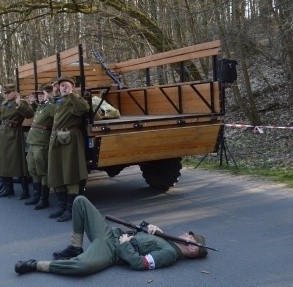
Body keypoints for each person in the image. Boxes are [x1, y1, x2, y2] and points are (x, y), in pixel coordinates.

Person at [15, 195, 209, 276]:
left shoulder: (169, 253)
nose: (184, 234)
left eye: (189, 237)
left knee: (83, 266)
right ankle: (75, 246)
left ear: (192, 247)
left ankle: (36, 265)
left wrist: (124, 244)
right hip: (110, 234)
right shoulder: (167, 240)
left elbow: (139, 263)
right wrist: (149, 227)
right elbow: (144, 236)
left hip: (112, 250)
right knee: (80, 200)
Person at [47, 75, 89, 222]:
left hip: (70, 140)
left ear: (72, 86)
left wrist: (71, 93)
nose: (63, 87)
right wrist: (52, 95)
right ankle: (62, 206)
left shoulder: (75, 99)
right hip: (57, 139)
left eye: (66, 84)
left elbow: (83, 108)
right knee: (57, 172)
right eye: (61, 85)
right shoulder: (60, 101)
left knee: (70, 173)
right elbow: (51, 113)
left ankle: (71, 209)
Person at [0, 84, 34, 199]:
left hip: (14, 135)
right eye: (5, 93)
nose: (6, 95)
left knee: (19, 163)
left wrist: (18, 103)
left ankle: (25, 191)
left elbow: (29, 114)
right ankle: (8, 188)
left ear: (15, 92)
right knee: (3, 161)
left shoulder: (21, 102)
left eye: (8, 92)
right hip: (3, 135)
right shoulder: (4, 104)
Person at [24, 84, 56, 209]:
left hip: (42, 144)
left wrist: (50, 98)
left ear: (47, 94)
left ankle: (44, 200)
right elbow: (34, 111)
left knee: (43, 172)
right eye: (39, 94)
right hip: (33, 143)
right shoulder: (41, 107)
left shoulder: (49, 107)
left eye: (42, 94)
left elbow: (55, 113)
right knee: (32, 170)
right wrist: (32, 103)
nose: (40, 96)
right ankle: (36, 197)